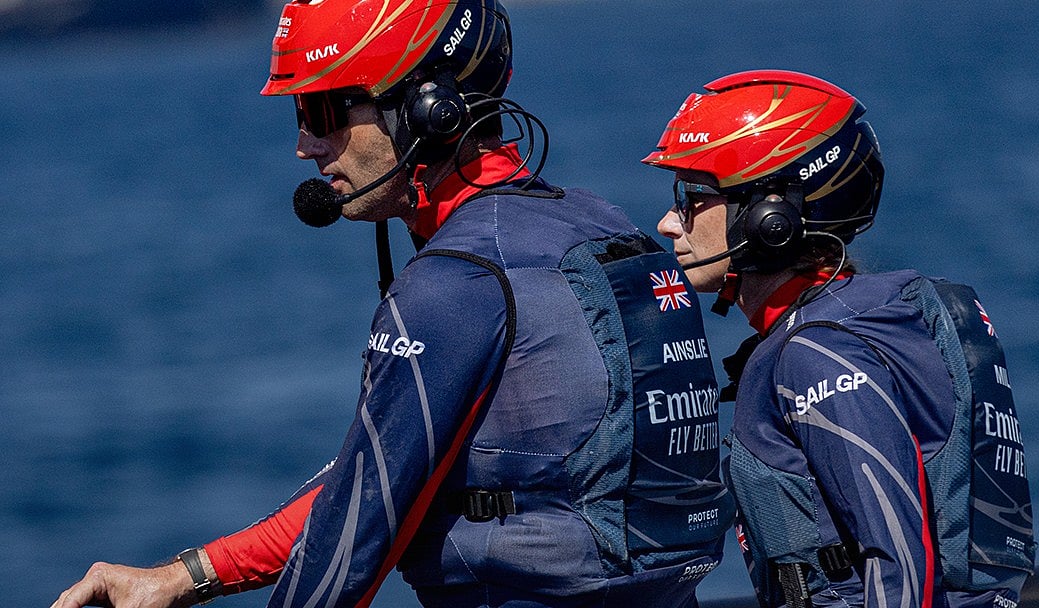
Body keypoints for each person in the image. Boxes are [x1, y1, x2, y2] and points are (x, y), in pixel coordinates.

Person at [51, 1, 732, 607]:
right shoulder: (612, 231)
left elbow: (354, 539)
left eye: (323, 112)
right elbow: (380, 473)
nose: (305, 146)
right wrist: (184, 576)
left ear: (426, 109)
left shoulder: (455, 283)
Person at [642, 69, 1036, 608]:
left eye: (693, 198)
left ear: (769, 217)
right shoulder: (874, 317)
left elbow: (896, 558)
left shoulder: (817, 355)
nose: (669, 223)